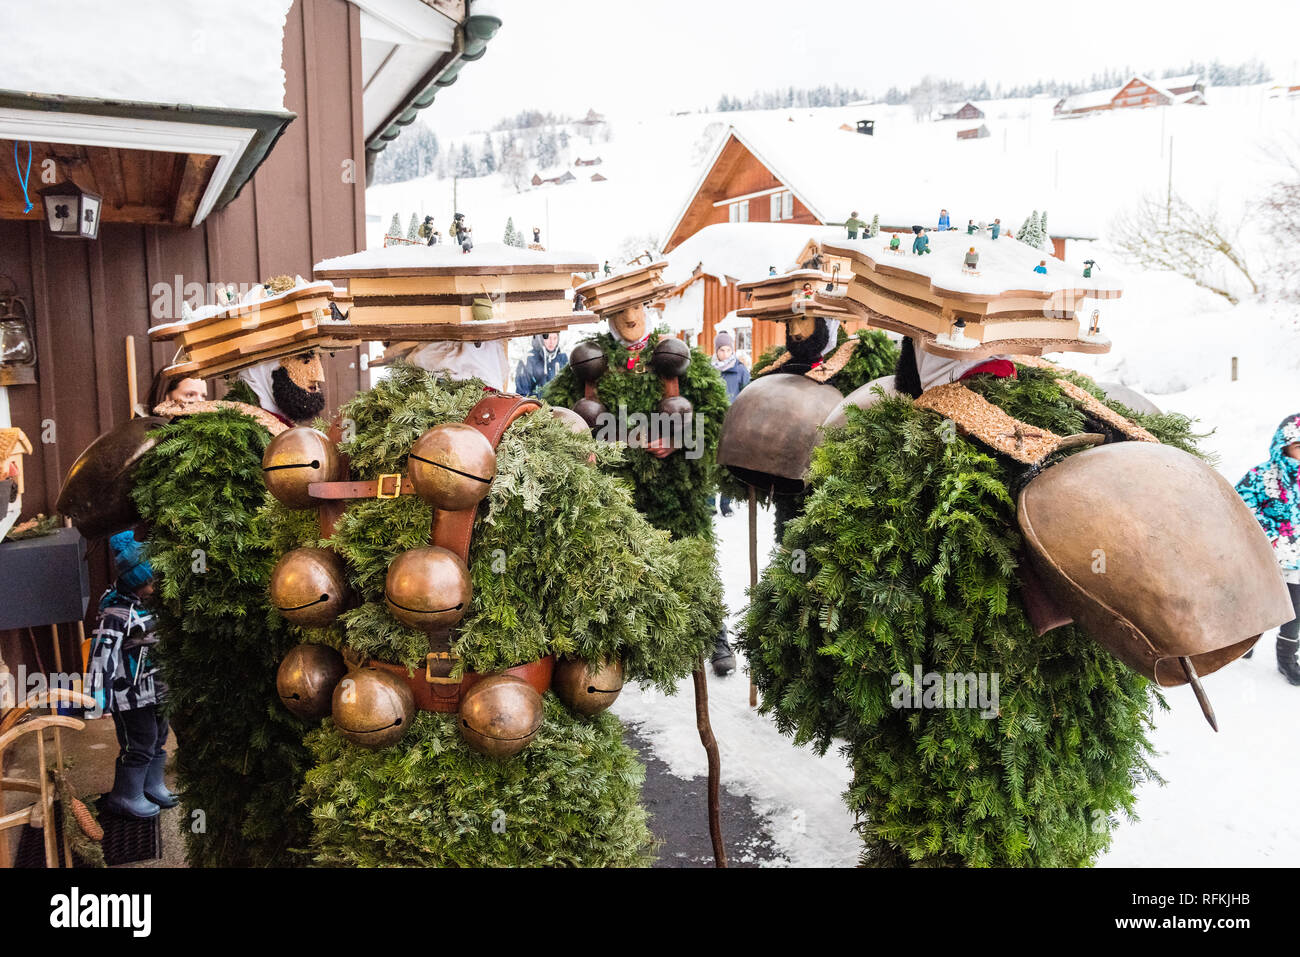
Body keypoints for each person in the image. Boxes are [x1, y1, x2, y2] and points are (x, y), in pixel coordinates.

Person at [88, 531, 177, 818]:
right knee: (139, 741)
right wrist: (99, 697)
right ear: (135, 582)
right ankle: (126, 794)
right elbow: (101, 656)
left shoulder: (148, 603)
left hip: (156, 687)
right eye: (148, 583)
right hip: (130, 693)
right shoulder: (115, 612)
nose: (154, 587)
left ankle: (152, 786)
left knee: (159, 735)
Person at [1236, 414, 1300, 684]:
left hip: (1298, 564)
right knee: (1257, 604)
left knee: (1295, 610)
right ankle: (1245, 641)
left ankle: (1286, 655)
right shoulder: (1262, 475)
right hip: (1268, 558)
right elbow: (1241, 508)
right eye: (1298, 446)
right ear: (1282, 446)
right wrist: (1274, 534)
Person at [711, 331, 750, 518]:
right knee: (711, 462)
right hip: (713, 422)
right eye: (721, 350)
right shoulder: (710, 370)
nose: (725, 354)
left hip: (732, 423)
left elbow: (748, 395)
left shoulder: (740, 370)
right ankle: (709, 504)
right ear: (716, 350)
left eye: (728, 350)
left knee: (727, 464)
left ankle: (726, 504)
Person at [514, 332, 567, 398]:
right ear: (540, 338)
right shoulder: (528, 359)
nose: (552, 342)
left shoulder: (562, 359)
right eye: (547, 337)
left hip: (559, 406)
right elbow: (522, 393)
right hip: (536, 405)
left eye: (555, 338)